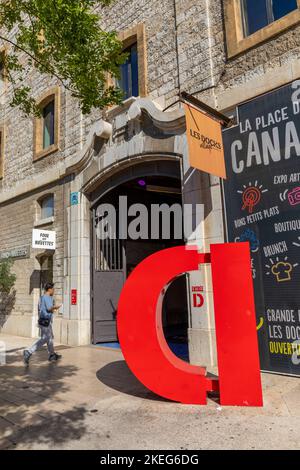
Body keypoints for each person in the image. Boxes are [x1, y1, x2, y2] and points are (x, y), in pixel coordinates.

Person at [23, 282, 62, 364]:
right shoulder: (46, 297)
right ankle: (29, 352)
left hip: (44, 320)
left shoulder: (42, 297)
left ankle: (52, 354)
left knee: (50, 338)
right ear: (50, 289)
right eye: (53, 289)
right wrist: (56, 307)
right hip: (45, 321)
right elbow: (49, 308)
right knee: (45, 338)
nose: (54, 290)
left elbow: (41, 308)